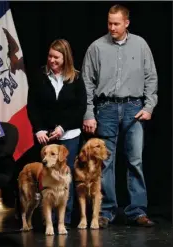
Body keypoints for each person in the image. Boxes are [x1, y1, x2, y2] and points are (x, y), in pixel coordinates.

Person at [81, 4, 157, 228]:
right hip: (106, 108)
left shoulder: (141, 45)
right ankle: (105, 211)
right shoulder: (96, 47)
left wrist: (150, 106)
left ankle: (137, 211)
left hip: (134, 107)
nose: (112, 27)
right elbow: (86, 83)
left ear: (126, 23)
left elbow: (151, 77)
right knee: (105, 162)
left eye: (116, 23)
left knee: (135, 161)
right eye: (109, 23)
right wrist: (88, 112)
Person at [26, 39, 87, 228]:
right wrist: (38, 129)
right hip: (46, 136)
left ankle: (64, 221)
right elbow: (33, 106)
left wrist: (63, 127)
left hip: (68, 136)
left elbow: (80, 108)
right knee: (47, 181)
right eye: (50, 56)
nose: (52, 60)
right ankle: (46, 221)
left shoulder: (75, 77)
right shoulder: (39, 75)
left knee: (65, 181)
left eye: (56, 57)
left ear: (65, 58)